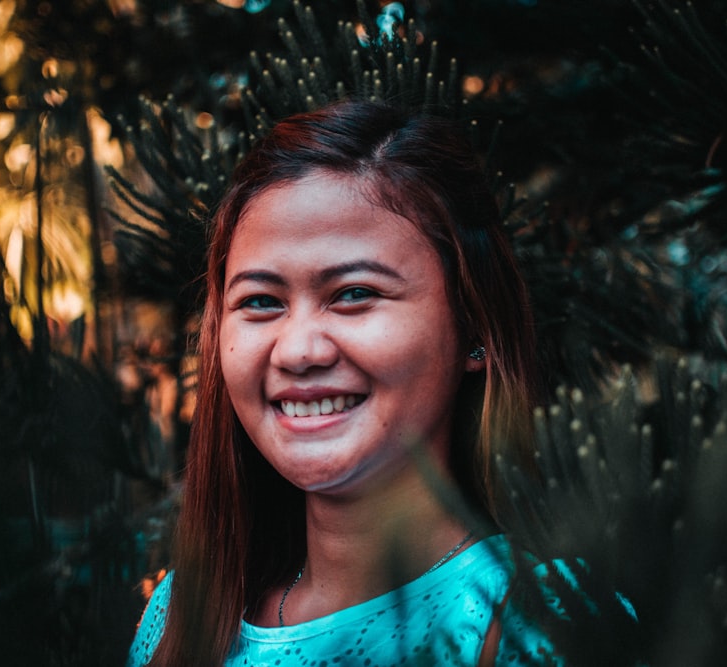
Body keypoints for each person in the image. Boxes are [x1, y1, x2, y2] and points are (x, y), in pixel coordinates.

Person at [127, 99, 548, 666]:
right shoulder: (181, 613)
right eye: (259, 301)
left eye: (354, 293)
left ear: (474, 324)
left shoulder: (537, 619)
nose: (298, 350)